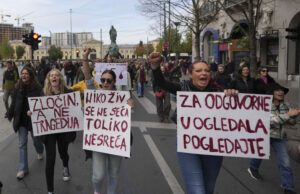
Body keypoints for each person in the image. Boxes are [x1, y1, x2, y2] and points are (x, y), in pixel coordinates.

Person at [149, 52, 238, 194]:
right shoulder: (183, 87)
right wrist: (155, 66)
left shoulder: (219, 92)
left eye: (207, 70)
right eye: (199, 70)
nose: (204, 73)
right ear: (191, 75)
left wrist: (232, 97)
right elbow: (162, 83)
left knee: (208, 189)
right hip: (188, 143)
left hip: (213, 145)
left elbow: (235, 118)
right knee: (197, 190)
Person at [82, 48, 134, 194]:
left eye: (108, 80)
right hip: (99, 141)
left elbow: (126, 114)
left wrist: (129, 106)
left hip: (116, 141)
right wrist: (85, 58)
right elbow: (87, 78)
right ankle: (97, 191)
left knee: (114, 174)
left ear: (114, 82)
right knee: (98, 176)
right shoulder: (95, 93)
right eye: (103, 80)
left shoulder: (122, 96)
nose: (105, 83)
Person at [247, 82, 300, 194]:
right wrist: (288, 115)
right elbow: (270, 122)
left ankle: (288, 188)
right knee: (259, 154)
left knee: (285, 163)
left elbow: (290, 122)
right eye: (277, 90)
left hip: (280, 137)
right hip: (265, 135)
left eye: (282, 90)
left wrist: (295, 116)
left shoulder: (286, 105)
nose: (281, 92)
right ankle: (253, 167)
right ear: (272, 92)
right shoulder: (264, 105)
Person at [40, 69, 76, 194]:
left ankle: (65, 166)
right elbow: (37, 108)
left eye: (56, 75)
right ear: (49, 79)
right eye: (51, 76)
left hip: (63, 130)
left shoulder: (68, 92)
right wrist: (31, 113)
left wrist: (78, 109)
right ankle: (50, 190)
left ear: (60, 78)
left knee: (63, 152)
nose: (53, 77)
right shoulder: (43, 93)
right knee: (50, 158)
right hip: (49, 131)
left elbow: (74, 111)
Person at [6, 66, 44, 180]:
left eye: (26, 73)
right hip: (21, 119)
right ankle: (23, 169)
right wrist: (10, 114)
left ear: (31, 75)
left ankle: (40, 150)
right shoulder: (17, 87)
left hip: (33, 119)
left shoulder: (37, 88)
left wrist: (34, 111)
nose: (24, 75)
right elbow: (13, 102)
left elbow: (42, 103)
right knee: (22, 144)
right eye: (22, 73)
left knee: (37, 140)